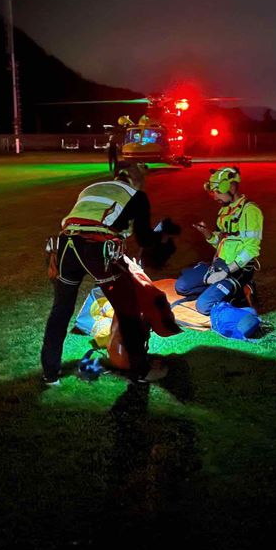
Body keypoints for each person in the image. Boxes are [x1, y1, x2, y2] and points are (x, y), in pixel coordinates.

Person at [41, 162, 175, 385]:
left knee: (61, 311)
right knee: (128, 310)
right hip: (98, 249)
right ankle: (140, 371)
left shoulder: (91, 188)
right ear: (137, 181)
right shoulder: (136, 195)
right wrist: (160, 235)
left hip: (66, 246)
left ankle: (50, 373)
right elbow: (143, 238)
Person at [175, 166, 263, 315]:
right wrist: (208, 234)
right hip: (219, 265)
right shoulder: (224, 210)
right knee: (181, 286)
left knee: (204, 306)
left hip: (238, 271)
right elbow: (222, 243)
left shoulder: (250, 211)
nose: (215, 197)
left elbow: (251, 250)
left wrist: (227, 271)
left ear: (232, 187)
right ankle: (216, 289)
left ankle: (242, 290)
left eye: (217, 192)